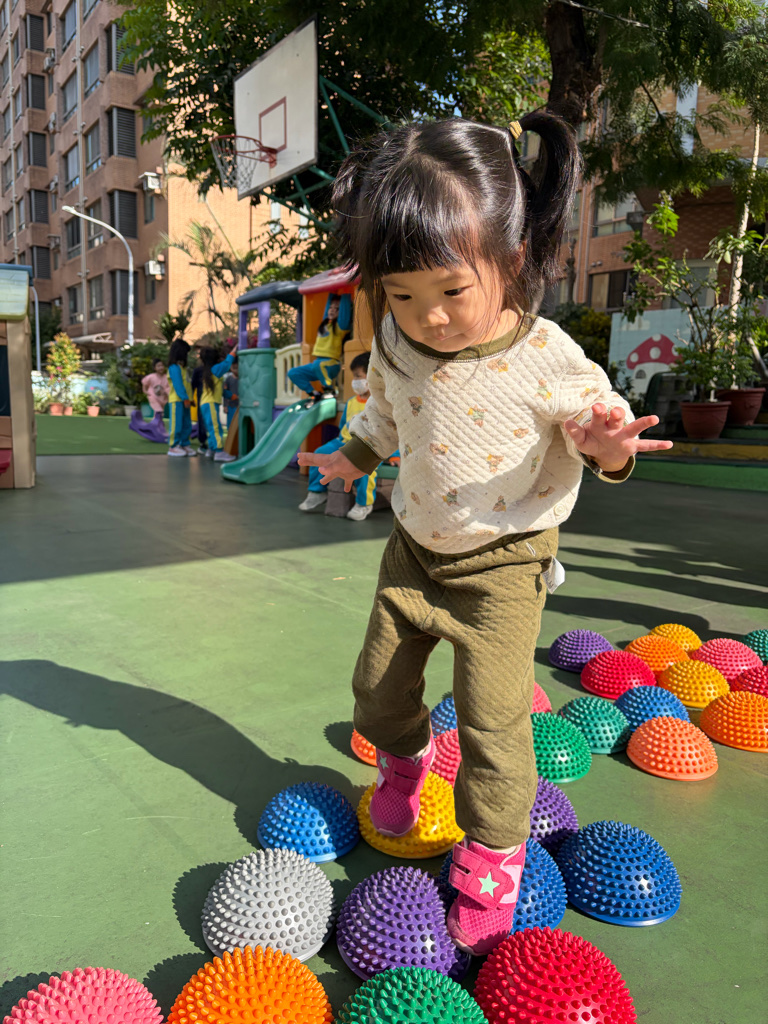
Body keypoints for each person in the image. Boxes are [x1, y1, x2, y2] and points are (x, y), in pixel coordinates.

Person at [298, 114, 673, 956]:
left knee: (493, 723)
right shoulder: (397, 342)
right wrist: (350, 457)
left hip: (505, 565)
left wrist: (609, 447)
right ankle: (405, 763)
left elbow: (598, 429)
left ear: (510, 256)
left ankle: (494, 856)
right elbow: (384, 413)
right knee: (376, 690)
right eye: (401, 295)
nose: (427, 317)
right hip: (414, 552)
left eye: (449, 291)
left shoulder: (547, 357)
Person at [298, 353, 381, 520]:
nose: (355, 381)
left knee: (366, 469)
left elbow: (390, 432)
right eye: (354, 376)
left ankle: (364, 504)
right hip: (343, 442)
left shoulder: (379, 404)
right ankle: (317, 492)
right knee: (319, 453)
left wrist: (394, 456)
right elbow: (343, 426)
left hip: (367, 448)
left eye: (358, 376)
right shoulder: (351, 402)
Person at [288, 292, 353, 397]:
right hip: (317, 365)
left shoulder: (340, 327)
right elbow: (326, 310)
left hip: (332, 364)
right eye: (331, 308)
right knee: (293, 372)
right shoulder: (325, 324)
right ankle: (314, 393)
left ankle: (330, 390)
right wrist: (331, 293)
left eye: (336, 308)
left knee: (318, 365)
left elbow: (344, 312)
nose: (332, 310)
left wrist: (344, 292)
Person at [198, 344, 237, 462]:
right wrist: (234, 350)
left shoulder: (210, 371)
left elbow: (220, 390)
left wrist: (232, 396)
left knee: (211, 427)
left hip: (206, 403)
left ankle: (212, 449)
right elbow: (227, 364)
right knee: (215, 427)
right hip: (210, 403)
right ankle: (219, 452)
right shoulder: (215, 369)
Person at [167, 338, 196, 457]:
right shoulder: (174, 368)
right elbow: (178, 385)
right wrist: (185, 398)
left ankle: (184, 444)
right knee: (176, 424)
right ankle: (173, 446)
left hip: (186, 401)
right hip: (177, 401)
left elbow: (187, 384)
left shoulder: (183, 368)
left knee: (186, 424)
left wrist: (190, 399)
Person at [223, 358, 239, 429]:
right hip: (231, 406)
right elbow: (225, 393)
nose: (235, 370)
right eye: (233, 367)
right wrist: (225, 405)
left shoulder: (243, 379)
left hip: (240, 406)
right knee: (230, 425)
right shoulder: (228, 379)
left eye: (237, 368)